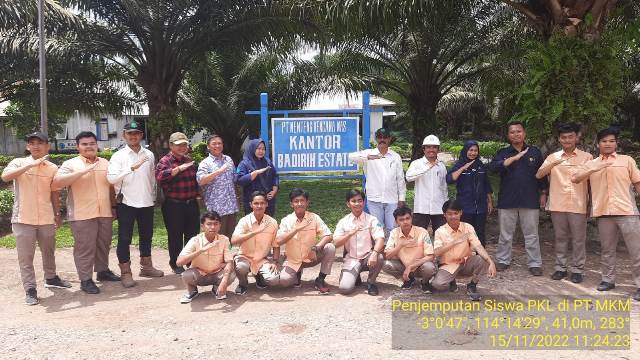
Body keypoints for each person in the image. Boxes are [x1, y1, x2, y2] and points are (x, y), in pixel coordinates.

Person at [1, 132, 71, 305]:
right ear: (27, 147)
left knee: (49, 251)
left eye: (40, 143)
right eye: (32, 143)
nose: (36, 146)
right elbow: (5, 177)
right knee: (26, 256)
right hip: (23, 218)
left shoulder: (52, 168)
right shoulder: (18, 163)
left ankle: (51, 277)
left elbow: (54, 192)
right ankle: (30, 289)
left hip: (46, 218)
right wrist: (30, 165)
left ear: (47, 146)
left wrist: (57, 214)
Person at [572, 127, 640, 301]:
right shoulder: (592, 163)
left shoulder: (627, 160)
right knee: (607, 250)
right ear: (598, 144)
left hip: (627, 212)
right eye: (604, 141)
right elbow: (576, 178)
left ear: (616, 143)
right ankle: (608, 280)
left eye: (611, 141)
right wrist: (596, 166)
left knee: (636, 251)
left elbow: (637, 182)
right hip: (603, 212)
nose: (608, 144)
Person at [52, 131, 120, 294]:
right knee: (85, 247)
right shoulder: (70, 164)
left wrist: (113, 206)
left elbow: (111, 187)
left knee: (103, 243)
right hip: (81, 213)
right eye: (84, 144)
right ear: (78, 147)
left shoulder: (105, 163)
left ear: (97, 145)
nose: (89, 146)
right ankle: (85, 279)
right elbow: (57, 182)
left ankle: (102, 271)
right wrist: (82, 171)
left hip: (104, 211)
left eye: (92, 143)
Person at [107, 121, 163, 288]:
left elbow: (152, 178)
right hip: (126, 202)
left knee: (147, 236)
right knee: (124, 238)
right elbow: (111, 179)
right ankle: (126, 272)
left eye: (136, 133)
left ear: (141, 135)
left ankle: (146, 267)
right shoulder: (118, 156)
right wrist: (131, 168)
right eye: (129, 133)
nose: (133, 136)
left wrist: (153, 197)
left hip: (146, 202)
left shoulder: (149, 154)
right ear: (124, 135)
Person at [536, 123, 592, 283]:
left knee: (579, 239)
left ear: (576, 137)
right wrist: (554, 163)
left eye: (570, 137)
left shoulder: (586, 157)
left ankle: (577, 270)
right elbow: (539, 174)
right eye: (564, 137)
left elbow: (590, 183)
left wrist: (590, 203)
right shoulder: (553, 157)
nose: (567, 140)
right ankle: (560, 268)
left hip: (578, 204)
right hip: (557, 204)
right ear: (559, 139)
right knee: (560, 238)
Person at [489, 121, 547, 276]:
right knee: (505, 234)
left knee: (532, 234)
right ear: (508, 135)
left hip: (529, 199)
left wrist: (543, 193)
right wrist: (512, 159)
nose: (516, 134)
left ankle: (535, 263)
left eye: (519, 131)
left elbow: (541, 175)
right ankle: (502, 260)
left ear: (524, 133)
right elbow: (493, 168)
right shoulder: (502, 152)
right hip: (507, 199)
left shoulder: (534, 152)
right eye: (512, 132)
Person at [431, 199, 497, 301]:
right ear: (444, 215)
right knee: (437, 285)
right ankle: (451, 280)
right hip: (449, 265)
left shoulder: (468, 227)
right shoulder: (440, 231)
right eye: (449, 214)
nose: (453, 216)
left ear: (461, 213)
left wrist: (491, 261)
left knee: (482, 259)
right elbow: (437, 252)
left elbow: (478, 246)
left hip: (466, 262)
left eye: (456, 213)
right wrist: (455, 242)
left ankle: (472, 285)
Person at [155, 132, 199, 274]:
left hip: (191, 203)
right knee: (175, 235)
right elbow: (160, 177)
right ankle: (175, 262)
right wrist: (178, 169)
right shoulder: (165, 161)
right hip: (173, 205)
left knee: (192, 234)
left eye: (184, 144)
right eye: (179, 145)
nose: (182, 147)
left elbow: (194, 180)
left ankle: (190, 260)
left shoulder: (188, 159)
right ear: (171, 145)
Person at [276, 188, 335, 294]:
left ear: (307, 202)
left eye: (302, 201)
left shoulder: (314, 217)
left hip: (311, 257)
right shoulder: (286, 220)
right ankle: (297, 274)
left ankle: (320, 280)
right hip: (293, 260)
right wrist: (295, 229)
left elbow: (328, 235)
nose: (299, 204)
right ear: (291, 204)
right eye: (296, 201)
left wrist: (315, 248)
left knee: (330, 247)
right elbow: (279, 241)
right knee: (284, 281)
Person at [348, 127, 406, 235]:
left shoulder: (395, 156)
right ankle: (378, 250)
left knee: (392, 228)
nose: (382, 139)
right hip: (374, 199)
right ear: (376, 139)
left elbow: (400, 179)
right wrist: (368, 157)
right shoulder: (368, 153)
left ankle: (389, 251)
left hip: (391, 199)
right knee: (377, 228)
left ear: (389, 139)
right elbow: (351, 157)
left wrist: (401, 198)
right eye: (379, 137)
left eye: (385, 137)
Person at [333, 189, 385, 296]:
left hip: (368, 258)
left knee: (379, 257)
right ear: (348, 204)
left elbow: (380, 238)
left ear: (364, 202)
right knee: (345, 289)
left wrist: (374, 253)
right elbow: (336, 243)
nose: (357, 203)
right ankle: (355, 276)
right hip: (351, 259)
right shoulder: (343, 222)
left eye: (360, 200)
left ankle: (371, 282)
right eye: (353, 201)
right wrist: (350, 234)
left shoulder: (372, 220)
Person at [176, 211, 235, 303]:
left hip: (217, 274)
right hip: (199, 275)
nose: (212, 227)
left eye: (216, 224)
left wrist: (224, 282)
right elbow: (179, 262)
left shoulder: (224, 239)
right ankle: (192, 292)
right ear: (202, 226)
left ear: (220, 226)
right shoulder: (194, 240)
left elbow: (229, 261)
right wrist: (201, 250)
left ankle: (217, 289)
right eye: (209, 224)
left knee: (231, 275)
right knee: (186, 275)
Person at [231, 191, 280, 294]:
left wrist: (275, 262)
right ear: (251, 205)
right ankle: (242, 283)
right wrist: (255, 232)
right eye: (256, 203)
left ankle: (258, 276)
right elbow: (234, 240)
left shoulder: (272, 222)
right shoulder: (244, 221)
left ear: (266, 204)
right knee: (241, 267)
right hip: (244, 257)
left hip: (261, 259)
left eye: (262, 203)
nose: (259, 206)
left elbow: (276, 244)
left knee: (274, 280)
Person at [446, 140, 493, 246]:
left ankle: (480, 258)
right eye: (470, 150)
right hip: (465, 206)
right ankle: (465, 257)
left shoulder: (480, 165)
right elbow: (450, 179)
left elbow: (486, 184)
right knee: (465, 232)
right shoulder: (459, 164)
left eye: (475, 150)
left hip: (481, 206)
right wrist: (463, 168)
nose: (473, 153)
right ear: (465, 151)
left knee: (480, 232)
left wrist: (489, 202)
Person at [382, 206, 436, 292]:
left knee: (430, 268)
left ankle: (425, 282)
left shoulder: (422, 232)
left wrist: (411, 266)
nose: (405, 222)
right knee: (386, 264)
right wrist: (400, 245)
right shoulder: (394, 233)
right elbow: (387, 255)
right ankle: (409, 279)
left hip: (420, 267)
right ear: (396, 222)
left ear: (412, 218)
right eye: (401, 220)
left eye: (407, 218)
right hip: (403, 265)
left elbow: (430, 256)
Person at [196, 135, 239, 238]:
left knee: (229, 238)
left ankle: (227, 254)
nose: (217, 145)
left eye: (219, 143)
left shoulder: (228, 159)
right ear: (208, 147)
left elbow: (234, 179)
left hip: (231, 206)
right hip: (216, 208)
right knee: (217, 238)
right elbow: (201, 181)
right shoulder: (205, 163)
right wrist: (219, 171)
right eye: (214, 143)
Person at [406, 135, 447, 233]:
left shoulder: (441, 166)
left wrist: (446, 205)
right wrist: (428, 167)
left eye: (434, 147)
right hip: (421, 207)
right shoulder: (416, 163)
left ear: (438, 149)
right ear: (423, 149)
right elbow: (409, 177)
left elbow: (444, 187)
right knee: (417, 237)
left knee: (442, 237)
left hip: (439, 208)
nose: (431, 150)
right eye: (428, 147)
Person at [237, 139, 279, 216]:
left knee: (268, 224)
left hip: (268, 201)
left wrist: (274, 191)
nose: (261, 151)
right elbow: (240, 180)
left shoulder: (267, 162)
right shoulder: (244, 164)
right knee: (253, 224)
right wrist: (255, 173)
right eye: (258, 148)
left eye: (263, 149)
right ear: (252, 148)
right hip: (252, 202)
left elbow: (275, 176)